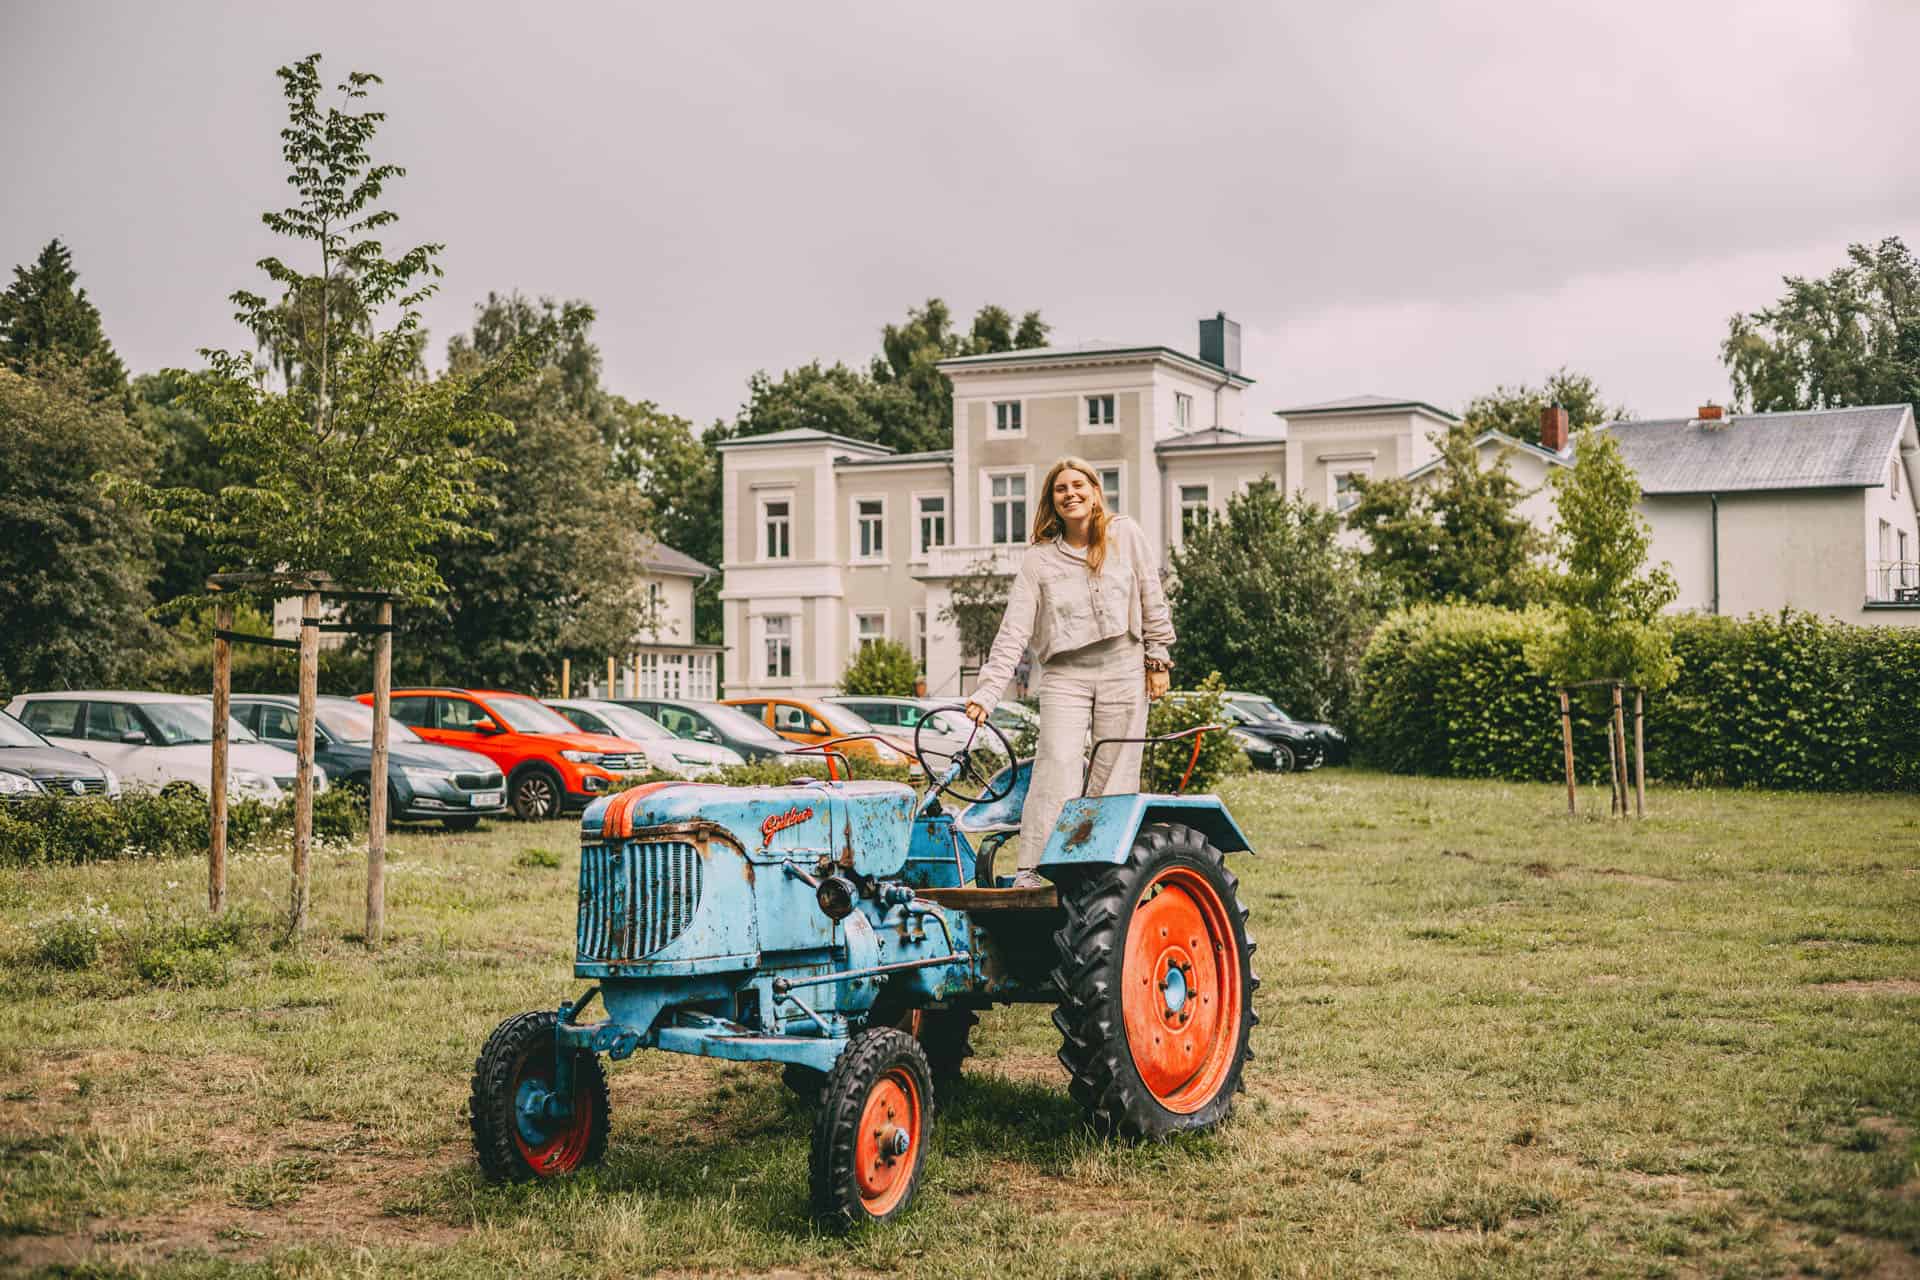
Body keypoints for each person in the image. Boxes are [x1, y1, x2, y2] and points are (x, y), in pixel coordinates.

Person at [964, 456, 1174, 887]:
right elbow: (1013, 632)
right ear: (1052, 501)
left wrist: (1158, 659)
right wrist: (986, 694)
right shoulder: (1039, 560)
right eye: (1061, 488)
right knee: (1056, 762)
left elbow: (1152, 597)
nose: (1071, 493)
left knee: (1115, 768)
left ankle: (1098, 868)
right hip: (1065, 674)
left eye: (1079, 485)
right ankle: (1034, 872)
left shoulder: (1126, 535)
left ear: (1096, 492)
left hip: (1124, 665)